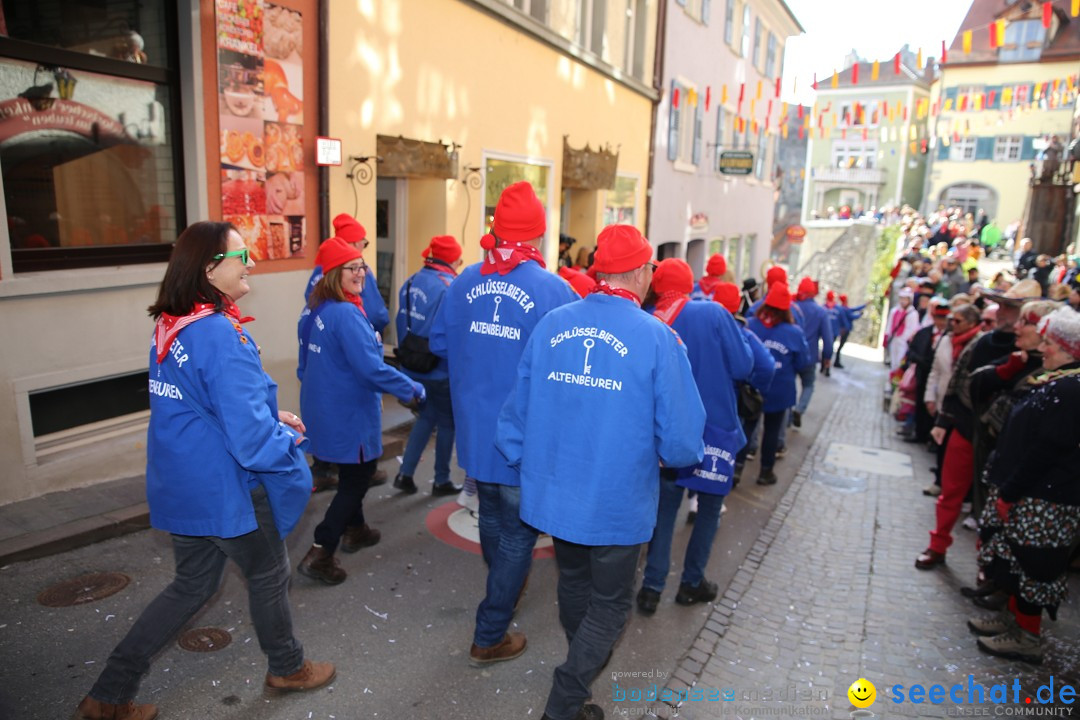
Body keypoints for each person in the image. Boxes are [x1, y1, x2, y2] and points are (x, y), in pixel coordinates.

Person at [72, 222, 334, 720]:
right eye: (244, 254)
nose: (251, 263)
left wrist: (264, 411)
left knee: (190, 586)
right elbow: (253, 444)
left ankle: (106, 697)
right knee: (270, 571)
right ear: (211, 268)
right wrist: (290, 438)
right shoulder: (218, 333)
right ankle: (287, 667)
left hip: (183, 482)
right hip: (226, 488)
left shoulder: (175, 320)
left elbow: (201, 398)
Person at [496, 224, 706, 720]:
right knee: (611, 604)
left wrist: (522, 459)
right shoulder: (658, 337)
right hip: (615, 496)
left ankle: (575, 678)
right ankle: (566, 695)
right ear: (638, 273)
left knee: (574, 580)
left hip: (559, 490)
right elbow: (680, 439)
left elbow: (517, 412)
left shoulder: (552, 323)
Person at [429, 181, 578, 667]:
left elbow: (438, 345)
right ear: (537, 236)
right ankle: (490, 629)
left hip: (475, 433)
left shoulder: (465, 281)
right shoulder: (555, 290)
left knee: (493, 519)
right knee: (516, 533)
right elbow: (567, 372)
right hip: (522, 439)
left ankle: (502, 589)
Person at [296, 237, 425, 585]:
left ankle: (356, 530)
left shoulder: (313, 309)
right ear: (334, 274)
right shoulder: (347, 314)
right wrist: (411, 388)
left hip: (321, 408)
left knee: (352, 473)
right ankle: (322, 549)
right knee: (356, 479)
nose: (360, 273)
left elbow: (303, 364)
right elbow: (371, 369)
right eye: (351, 268)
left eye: (361, 266)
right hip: (347, 412)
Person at [636, 259, 752, 615]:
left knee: (666, 510)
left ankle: (651, 588)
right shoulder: (714, 313)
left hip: (669, 431)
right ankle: (691, 582)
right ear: (689, 284)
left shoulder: (649, 319)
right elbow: (745, 366)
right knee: (708, 511)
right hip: (714, 429)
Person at [971, 307, 1080, 664]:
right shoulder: (1057, 381)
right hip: (1032, 491)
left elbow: (1046, 449)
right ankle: (1013, 622)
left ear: (1069, 349)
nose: (1043, 349)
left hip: (1045, 496)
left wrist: (1012, 491)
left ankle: (1027, 636)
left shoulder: (1069, 389)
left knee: (1034, 565)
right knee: (1016, 561)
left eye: (1049, 342)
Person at [303, 214, 391, 492]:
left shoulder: (319, 271)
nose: (362, 251)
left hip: (322, 358)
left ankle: (324, 469)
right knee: (358, 423)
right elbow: (376, 312)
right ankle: (361, 470)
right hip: (352, 356)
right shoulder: (355, 275)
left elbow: (306, 318)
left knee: (328, 414)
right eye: (362, 242)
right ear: (353, 241)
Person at [393, 235, 465, 496]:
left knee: (426, 416)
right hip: (439, 368)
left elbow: (400, 322)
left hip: (412, 364)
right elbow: (454, 333)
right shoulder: (451, 287)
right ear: (452, 260)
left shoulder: (410, 281)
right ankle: (441, 479)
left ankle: (405, 473)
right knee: (447, 423)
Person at [915, 303, 984, 569]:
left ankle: (986, 567)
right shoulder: (948, 339)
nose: (949, 324)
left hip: (973, 424)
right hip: (951, 415)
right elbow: (940, 372)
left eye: (955, 320)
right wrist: (931, 399)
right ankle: (938, 546)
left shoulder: (979, 344)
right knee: (948, 484)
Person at [746, 282, 811, 486]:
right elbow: (802, 362)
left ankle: (736, 469)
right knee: (772, 431)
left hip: (752, 386)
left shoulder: (751, 324)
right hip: (780, 389)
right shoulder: (794, 332)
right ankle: (765, 472)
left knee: (747, 428)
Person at [792, 277, 832, 426]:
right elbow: (827, 339)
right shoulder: (820, 312)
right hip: (810, 356)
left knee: (791, 384)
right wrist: (827, 357)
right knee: (808, 385)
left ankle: (789, 414)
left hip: (792, 354)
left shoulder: (793, 307)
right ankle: (800, 408)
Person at [884, 287, 919, 373]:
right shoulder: (894, 311)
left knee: (900, 362)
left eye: (905, 298)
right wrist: (886, 335)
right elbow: (890, 324)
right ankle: (891, 378)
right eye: (901, 298)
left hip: (904, 341)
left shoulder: (913, 314)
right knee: (893, 360)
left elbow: (912, 329)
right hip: (894, 338)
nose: (903, 301)